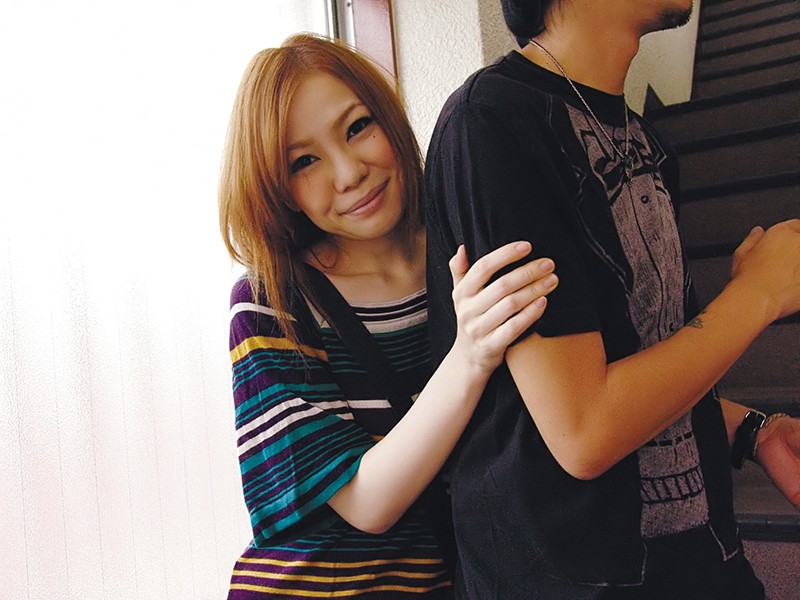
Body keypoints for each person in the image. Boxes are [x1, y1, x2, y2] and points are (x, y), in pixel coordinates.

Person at [424, 1, 800, 598]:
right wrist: (758, 294)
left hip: (704, 557)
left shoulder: (644, 139)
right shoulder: (491, 121)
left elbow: (641, 360)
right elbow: (584, 429)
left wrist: (753, 430)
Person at [218, 33, 558, 599]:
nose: (349, 172)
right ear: (279, 190)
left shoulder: (467, 253)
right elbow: (367, 502)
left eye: (357, 127)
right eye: (305, 161)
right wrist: (470, 356)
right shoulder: (273, 303)